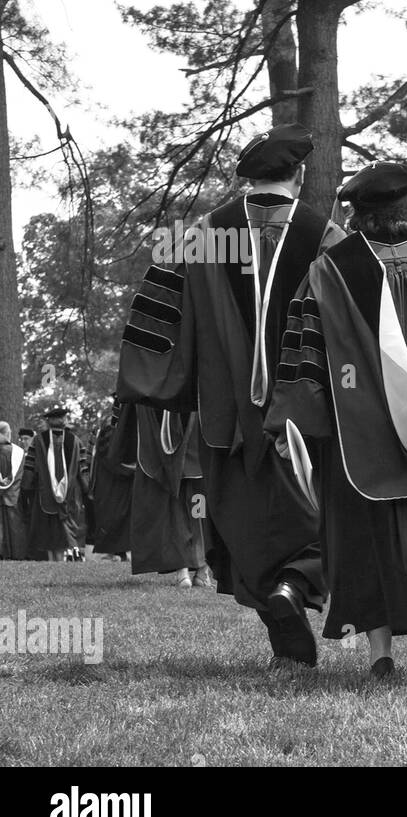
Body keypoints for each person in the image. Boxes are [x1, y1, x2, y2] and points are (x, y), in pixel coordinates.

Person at [117, 123, 345, 668]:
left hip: (226, 416)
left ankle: (279, 615)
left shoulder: (200, 234)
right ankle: (294, 589)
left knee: (242, 525)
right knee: (316, 517)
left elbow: (160, 318)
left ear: (249, 179)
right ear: (300, 174)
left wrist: (166, 386)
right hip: (306, 414)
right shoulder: (328, 237)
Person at [265, 162, 407, 693]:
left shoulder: (329, 270)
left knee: (365, 540)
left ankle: (380, 655)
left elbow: (306, 358)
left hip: (357, 437)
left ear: (359, 215)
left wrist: (293, 421)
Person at [130, 407, 212, 587]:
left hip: (167, 452)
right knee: (200, 514)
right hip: (196, 456)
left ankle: (183, 572)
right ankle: (202, 570)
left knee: (178, 515)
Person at [21, 408, 90, 562]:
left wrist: (26, 489)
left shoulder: (38, 441)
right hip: (71, 494)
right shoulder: (76, 441)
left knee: (49, 528)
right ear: (63, 421)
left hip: (45, 494)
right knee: (69, 525)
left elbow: (30, 468)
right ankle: (72, 558)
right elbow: (83, 470)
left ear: (49, 422)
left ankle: (53, 559)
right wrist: (87, 490)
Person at [87, 396, 134, 561]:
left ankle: (121, 552)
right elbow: (107, 457)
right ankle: (116, 552)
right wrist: (131, 469)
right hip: (110, 480)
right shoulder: (109, 428)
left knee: (121, 515)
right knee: (112, 515)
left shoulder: (127, 427)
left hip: (121, 481)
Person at [0, 422, 27, 560]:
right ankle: (15, 554)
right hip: (13, 494)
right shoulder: (17, 452)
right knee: (13, 526)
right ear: (7, 433)